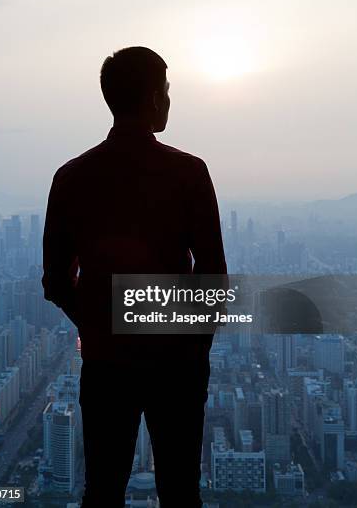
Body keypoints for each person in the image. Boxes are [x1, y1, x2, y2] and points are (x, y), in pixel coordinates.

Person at [42, 46, 228, 507]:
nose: (169, 101)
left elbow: (56, 282)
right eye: (165, 91)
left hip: (106, 365)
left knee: (102, 489)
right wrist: (193, 343)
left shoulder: (72, 177)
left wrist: (99, 325)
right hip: (177, 364)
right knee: (181, 490)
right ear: (150, 98)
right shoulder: (188, 173)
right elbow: (213, 282)